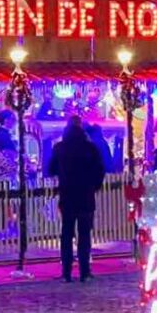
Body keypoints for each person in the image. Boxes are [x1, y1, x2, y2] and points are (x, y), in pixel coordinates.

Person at [48, 116, 105, 283]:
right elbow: (100, 170)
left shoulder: (60, 148)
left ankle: (66, 271)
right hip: (86, 195)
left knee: (66, 234)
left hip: (67, 195)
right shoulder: (90, 148)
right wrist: (93, 186)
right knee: (85, 234)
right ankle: (84, 271)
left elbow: (51, 169)